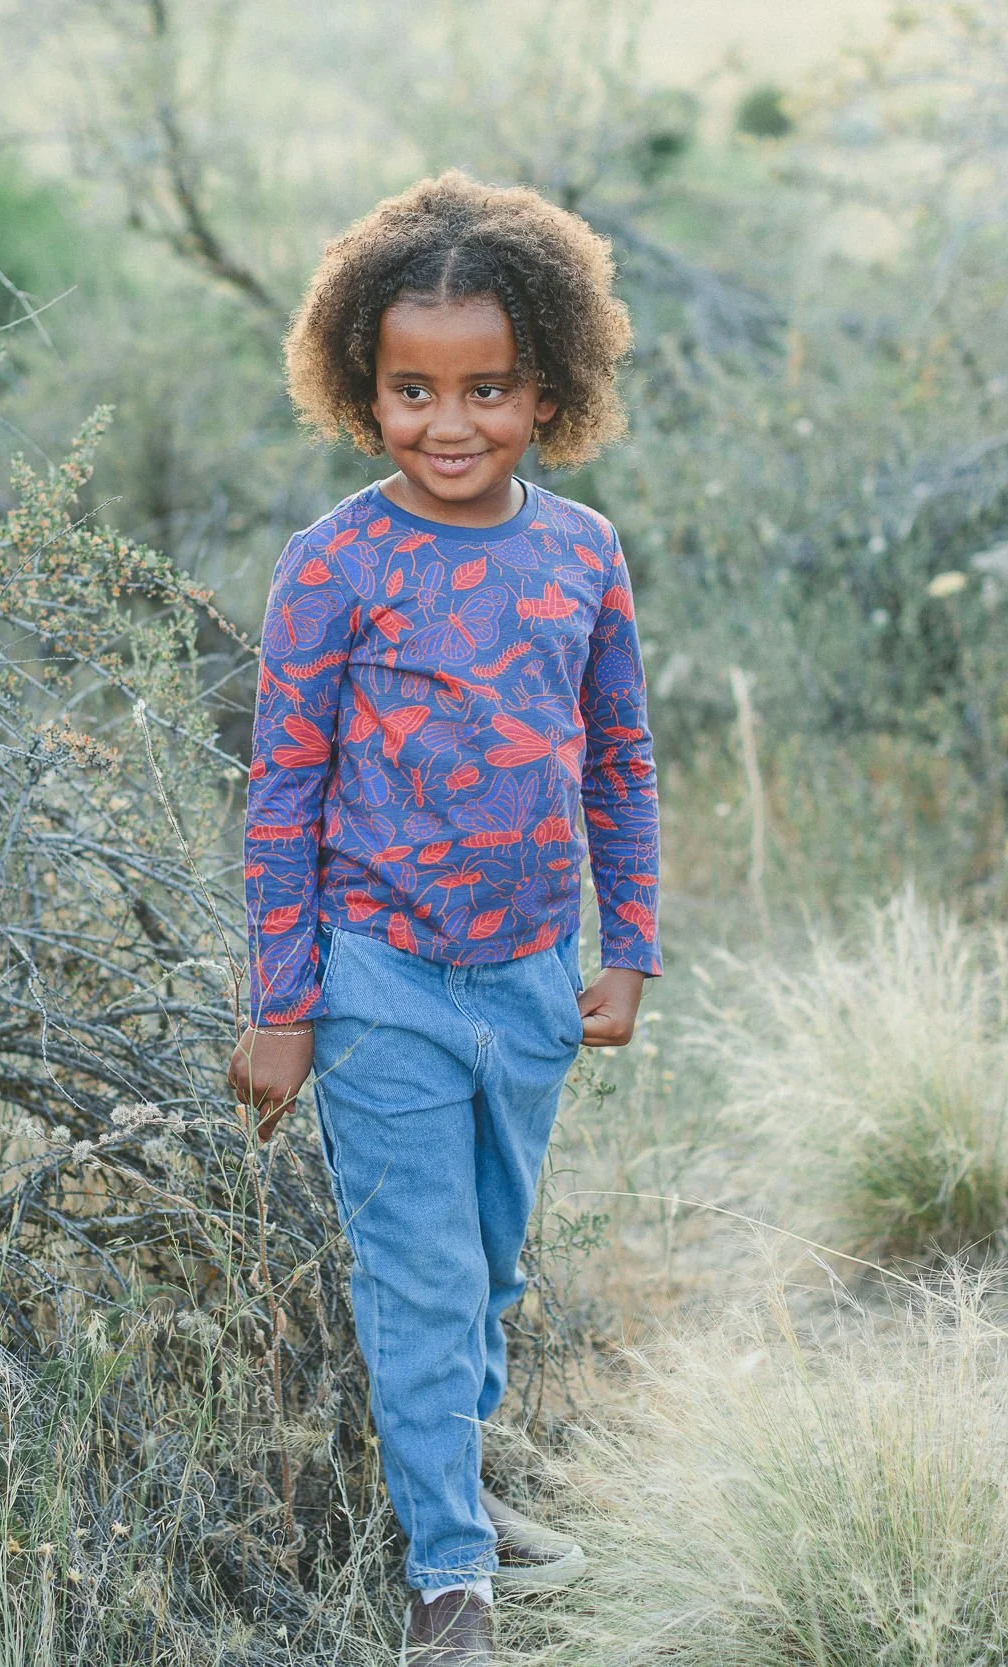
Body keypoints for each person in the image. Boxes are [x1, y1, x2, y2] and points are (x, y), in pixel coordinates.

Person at [227, 171, 660, 1665]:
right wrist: (285, 1005)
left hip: (533, 978)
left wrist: (629, 949)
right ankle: (451, 1582)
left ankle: (456, 1485)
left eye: (488, 389)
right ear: (364, 386)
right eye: (414, 390)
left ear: (550, 388)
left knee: (491, 1267)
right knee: (418, 1280)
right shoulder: (335, 566)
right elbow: (283, 796)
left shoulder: (583, 554)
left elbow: (619, 759)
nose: (451, 423)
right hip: (380, 981)